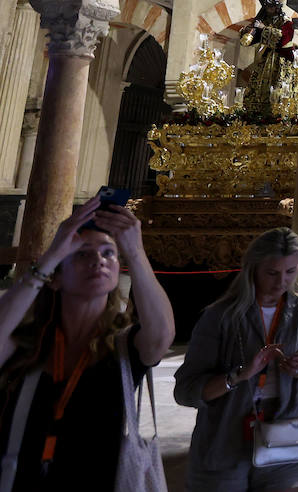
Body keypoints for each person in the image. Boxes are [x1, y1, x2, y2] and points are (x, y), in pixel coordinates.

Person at [0, 195, 175, 490]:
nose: (98, 260)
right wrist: (50, 257)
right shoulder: (28, 342)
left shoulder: (121, 347)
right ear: (54, 278)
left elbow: (161, 335)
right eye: (82, 253)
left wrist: (134, 250)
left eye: (109, 253)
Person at [174, 227, 298, 491]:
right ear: (253, 268)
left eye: (290, 272)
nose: (281, 281)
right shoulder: (220, 316)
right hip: (225, 439)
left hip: (286, 439)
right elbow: (185, 390)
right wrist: (238, 376)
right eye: (272, 273)